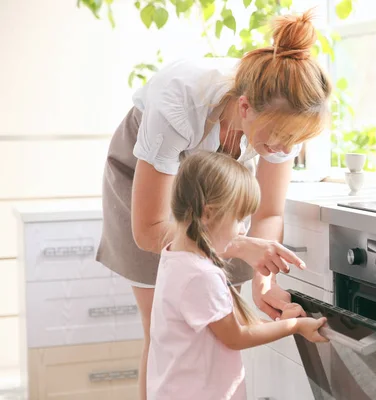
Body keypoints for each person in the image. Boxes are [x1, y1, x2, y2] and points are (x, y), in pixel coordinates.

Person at [95, 8, 332, 399]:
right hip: (148, 188)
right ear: (244, 108)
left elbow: (269, 212)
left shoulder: (281, 121)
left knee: (212, 329)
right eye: (277, 139)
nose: (284, 150)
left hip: (215, 203)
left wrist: (263, 280)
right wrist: (239, 245)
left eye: (295, 141)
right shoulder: (179, 100)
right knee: (163, 327)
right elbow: (149, 229)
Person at [146, 150, 327, 400]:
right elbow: (236, 337)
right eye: (239, 218)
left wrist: (280, 323)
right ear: (207, 214)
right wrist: (294, 326)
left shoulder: (175, 258)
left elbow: (226, 327)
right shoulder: (201, 276)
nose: (242, 229)